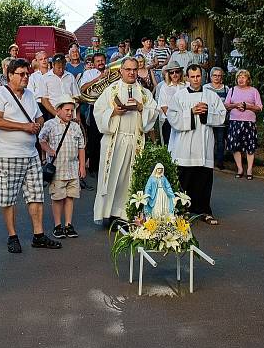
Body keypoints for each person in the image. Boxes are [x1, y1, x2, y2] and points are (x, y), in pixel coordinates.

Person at [0, 58, 62, 253]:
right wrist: (24, 126)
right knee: (9, 198)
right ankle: (12, 236)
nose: (25, 77)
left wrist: (38, 124)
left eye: (26, 74)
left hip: (30, 153)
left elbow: (38, 115)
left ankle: (38, 235)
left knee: (36, 196)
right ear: (10, 75)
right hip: (8, 154)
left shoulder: (30, 95)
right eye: (20, 74)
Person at [93, 57, 159, 223]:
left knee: (130, 179)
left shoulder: (144, 93)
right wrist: (114, 112)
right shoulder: (111, 90)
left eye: (134, 69)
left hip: (135, 141)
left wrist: (141, 107)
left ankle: (124, 214)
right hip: (114, 141)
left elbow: (154, 112)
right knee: (112, 177)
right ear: (121, 71)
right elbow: (98, 111)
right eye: (128, 69)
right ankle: (108, 214)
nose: (131, 72)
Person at [167, 64, 226, 225]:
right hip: (185, 145)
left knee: (204, 179)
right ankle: (182, 211)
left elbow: (221, 115)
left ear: (202, 77)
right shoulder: (179, 96)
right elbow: (172, 117)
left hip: (203, 144)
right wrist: (191, 112)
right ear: (187, 78)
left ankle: (204, 210)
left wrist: (207, 112)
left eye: (198, 76)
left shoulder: (211, 96)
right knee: (184, 179)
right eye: (192, 77)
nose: (195, 79)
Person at [39, 96, 86, 239]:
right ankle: (58, 225)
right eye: (66, 110)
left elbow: (81, 147)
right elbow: (41, 139)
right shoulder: (50, 125)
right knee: (58, 197)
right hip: (57, 169)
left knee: (70, 196)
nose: (69, 113)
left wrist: (82, 166)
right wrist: (48, 150)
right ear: (58, 110)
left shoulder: (75, 126)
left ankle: (68, 224)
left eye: (72, 110)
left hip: (72, 168)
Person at [224, 69, 263, 180]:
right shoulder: (232, 90)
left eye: (243, 77)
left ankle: (249, 169)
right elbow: (226, 105)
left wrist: (247, 106)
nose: (241, 79)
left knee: (250, 146)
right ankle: (240, 168)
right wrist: (236, 105)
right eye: (239, 77)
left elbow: (259, 107)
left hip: (249, 122)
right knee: (235, 145)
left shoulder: (253, 91)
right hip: (235, 121)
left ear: (248, 79)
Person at [79, 52, 108, 174]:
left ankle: (105, 167)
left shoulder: (112, 72)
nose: (100, 63)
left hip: (108, 109)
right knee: (94, 138)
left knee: (106, 137)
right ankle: (93, 168)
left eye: (102, 60)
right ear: (94, 63)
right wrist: (98, 79)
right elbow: (82, 88)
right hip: (94, 108)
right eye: (98, 61)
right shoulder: (88, 73)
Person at [41, 54, 81, 122]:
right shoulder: (45, 78)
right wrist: (56, 114)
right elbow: (44, 100)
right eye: (58, 68)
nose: (61, 70)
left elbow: (77, 97)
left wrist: (77, 115)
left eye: (63, 67)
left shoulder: (70, 76)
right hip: (53, 114)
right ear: (52, 65)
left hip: (70, 114)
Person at [204, 67, 230, 169]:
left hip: (221, 119)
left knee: (220, 141)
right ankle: (207, 160)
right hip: (208, 119)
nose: (217, 78)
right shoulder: (205, 87)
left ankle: (220, 161)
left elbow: (228, 103)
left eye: (219, 75)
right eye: (215, 75)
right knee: (208, 140)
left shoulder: (226, 88)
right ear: (210, 77)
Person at [155, 61, 185, 146]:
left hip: (185, 119)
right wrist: (174, 119)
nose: (174, 74)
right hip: (169, 120)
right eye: (172, 72)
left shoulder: (186, 85)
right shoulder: (164, 87)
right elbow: (164, 106)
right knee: (169, 146)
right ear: (169, 74)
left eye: (177, 72)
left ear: (181, 72)